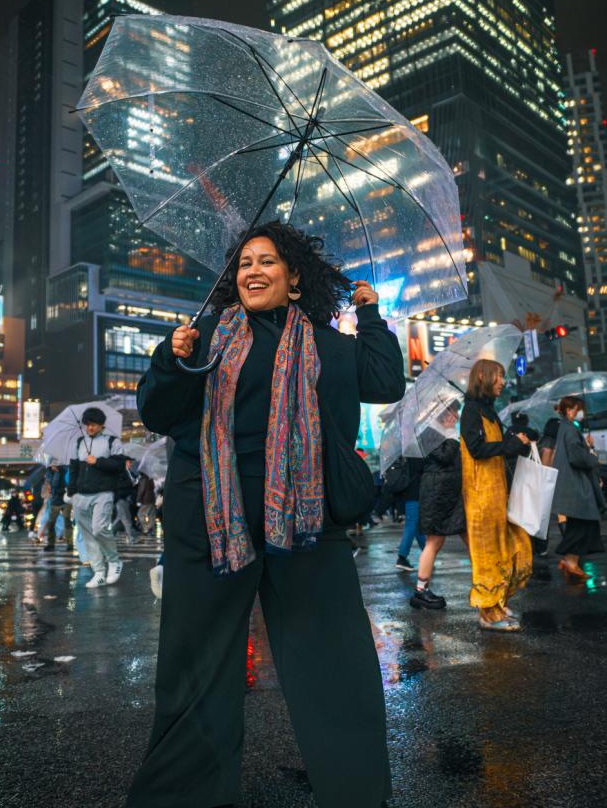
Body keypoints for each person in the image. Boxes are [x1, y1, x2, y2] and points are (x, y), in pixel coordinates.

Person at [126, 220, 404, 808]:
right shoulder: (202, 338)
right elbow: (158, 411)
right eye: (245, 263)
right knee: (197, 667)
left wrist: (371, 313)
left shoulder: (329, 343)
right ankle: (184, 795)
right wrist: (169, 361)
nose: (253, 271)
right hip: (209, 518)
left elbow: (385, 381)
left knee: (336, 664)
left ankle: (355, 794)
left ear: (294, 277)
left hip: (306, 524)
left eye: (268, 261)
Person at [460, 359, 532, 632]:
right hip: (481, 497)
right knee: (488, 554)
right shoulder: (470, 411)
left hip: (497, 492)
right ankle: (488, 613)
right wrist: (509, 444)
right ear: (483, 376)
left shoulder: (487, 411)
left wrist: (515, 441)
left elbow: (496, 446)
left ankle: (498, 602)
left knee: (513, 545)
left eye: (503, 377)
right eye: (499, 376)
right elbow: (477, 449)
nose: (503, 382)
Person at [410, 404, 467, 610]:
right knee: (433, 541)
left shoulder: (439, 432)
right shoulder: (430, 433)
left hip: (446, 495)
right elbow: (444, 457)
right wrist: (451, 436)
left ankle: (422, 589)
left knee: (437, 541)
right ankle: (421, 590)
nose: (457, 416)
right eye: (453, 411)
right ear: (443, 414)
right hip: (436, 495)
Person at [68, 407, 126, 588]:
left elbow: (119, 465)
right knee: (87, 536)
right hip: (81, 495)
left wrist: (98, 461)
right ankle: (99, 572)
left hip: (103, 492)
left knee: (99, 529)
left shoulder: (112, 442)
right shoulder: (79, 442)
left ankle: (114, 561)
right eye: (88, 424)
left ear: (101, 425)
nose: (90, 428)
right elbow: (74, 469)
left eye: (94, 424)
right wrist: (72, 492)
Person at [552, 396, 605, 580]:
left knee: (579, 524)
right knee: (583, 523)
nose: (581, 412)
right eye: (578, 408)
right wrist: (592, 455)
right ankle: (570, 561)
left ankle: (569, 560)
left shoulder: (566, 428)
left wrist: (587, 445)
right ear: (569, 411)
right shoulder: (570, 430)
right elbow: (577, 457)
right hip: (576, 486)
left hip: (574, 484)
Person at [394, 457, 425, 571]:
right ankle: (402, 557)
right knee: (412, 524)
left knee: (417, 525)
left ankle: (427, 554)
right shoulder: (415, 454)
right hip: (415, 492)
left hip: (410, 493)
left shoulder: (405, 453)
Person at [43, 464, 73, 551]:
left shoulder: (64, 471)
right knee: (51, 523)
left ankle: (70, 544)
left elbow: (68, 483)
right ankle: (51, 544)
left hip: (65, 500)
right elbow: (50, 485)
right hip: (55, 501)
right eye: (51, 464)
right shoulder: (49, 473)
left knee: (67, 522)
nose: (52, 465)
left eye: (54, 464)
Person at [113, 458, 141, 543]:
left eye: (130, 463)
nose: (130, 464)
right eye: (129, 462)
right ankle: (131, 538)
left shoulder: (129, 473)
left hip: (126, 498)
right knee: (126, 519)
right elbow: (120, 485)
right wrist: (130, 483)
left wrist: (135, 482)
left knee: (120, 519)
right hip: (121, 498)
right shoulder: (121, 473)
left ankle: (107, 536)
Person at [136, 470, 156, 535]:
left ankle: (147, 528)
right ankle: (152, 530)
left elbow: (142, 490)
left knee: (140, 514)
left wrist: (138, 500)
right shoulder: (150, 478)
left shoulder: (143, 479)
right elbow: (153, 487)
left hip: (145, 500)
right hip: (152, 499)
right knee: (151, 515)